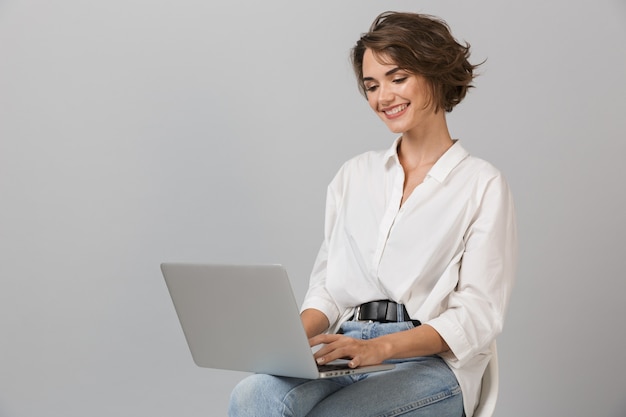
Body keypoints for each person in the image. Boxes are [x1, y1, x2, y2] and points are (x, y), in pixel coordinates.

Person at [229, 10, 516, 417]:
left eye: (398, 78)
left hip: (428, 361)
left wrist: (379, 347)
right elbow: (328, 289)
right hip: (343, 347)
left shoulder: (481, 184)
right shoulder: (354, 175)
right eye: (371, 86)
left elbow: (478, 316)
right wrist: (286, 342)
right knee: (251, 396)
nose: (383, 98)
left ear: (435, 73)